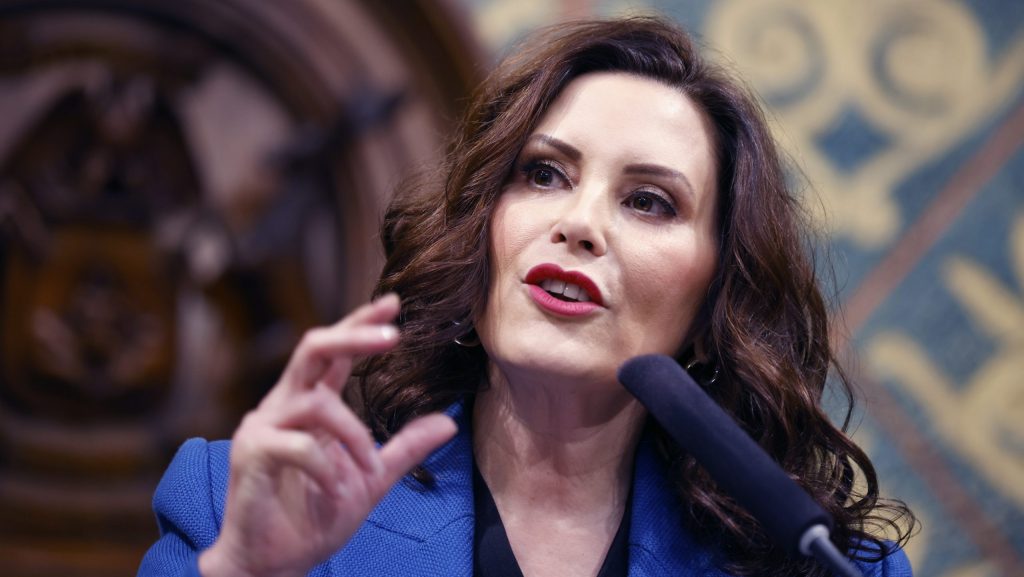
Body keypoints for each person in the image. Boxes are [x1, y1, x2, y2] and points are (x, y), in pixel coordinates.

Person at [138, 16, 915, 577]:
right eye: (543, 173)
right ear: (483, 227)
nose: (579, 224)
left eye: (648, 201)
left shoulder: (823, 567)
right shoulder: (231, 508)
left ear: (717, 299)